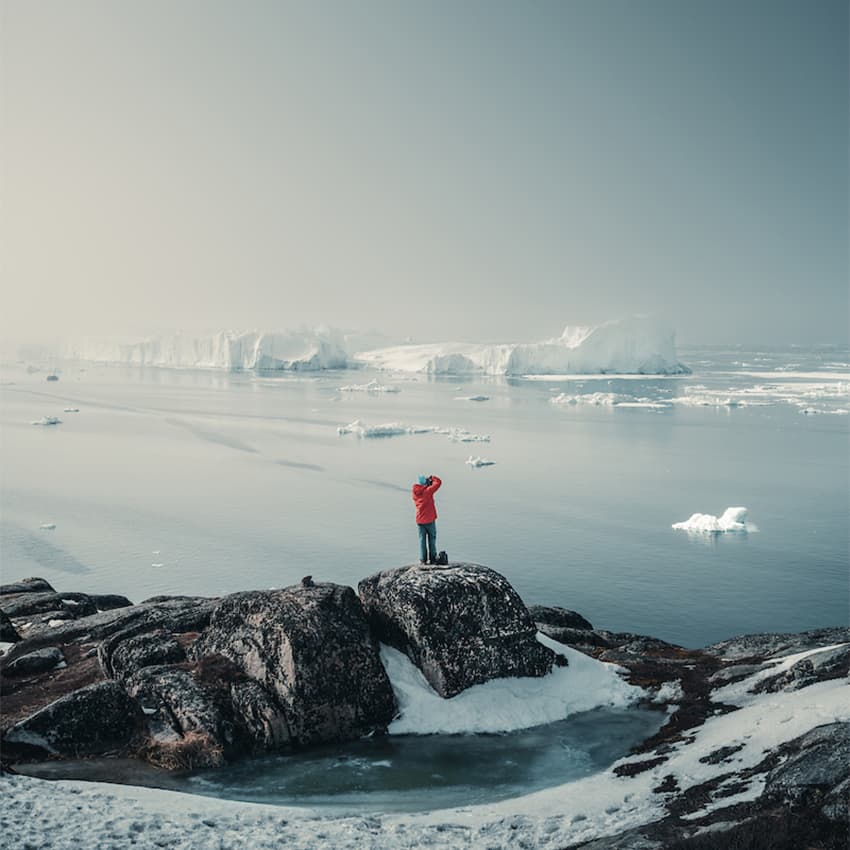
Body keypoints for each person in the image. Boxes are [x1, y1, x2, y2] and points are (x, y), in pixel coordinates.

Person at [412, 473, 442, 564]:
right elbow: (439, 482)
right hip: (429, 520)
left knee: (422, 540)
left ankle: (423, 559)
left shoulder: (415, 493)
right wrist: (432, 478)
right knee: (432, 539)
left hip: (420, 520)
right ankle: (432, 558)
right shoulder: (428, 491)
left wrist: (425, 484)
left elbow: (422, 489)